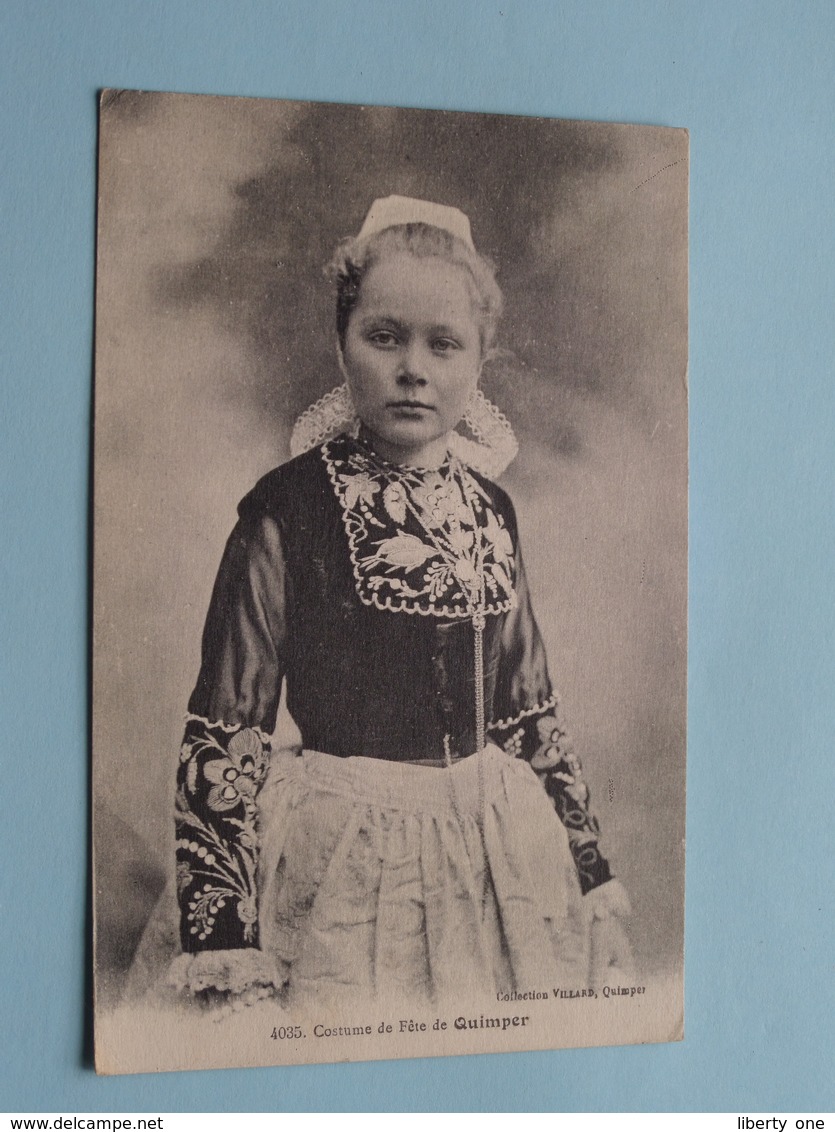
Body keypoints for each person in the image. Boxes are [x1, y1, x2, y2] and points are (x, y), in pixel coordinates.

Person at [143, 195, 632, 1014]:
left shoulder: (490, 511)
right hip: (342, 857)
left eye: (443, 344)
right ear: (342, 343)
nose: (414, 367)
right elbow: (225, 735)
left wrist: (589, 875)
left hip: (497, 856)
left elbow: (526, 708)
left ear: (478, 361)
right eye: (384, 336)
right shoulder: (285, 510)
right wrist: (224, 939)